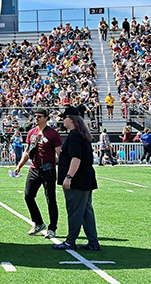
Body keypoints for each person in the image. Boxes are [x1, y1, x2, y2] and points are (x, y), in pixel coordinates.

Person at [53, 106, 100, 251]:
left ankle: (70, 241)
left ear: (71, 119)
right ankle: (93, 241)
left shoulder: (74, 135)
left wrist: (68, 177)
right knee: (86, 212)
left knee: (74, 211)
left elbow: (76, 158)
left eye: (64, 118)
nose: (63, 121)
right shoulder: (82, 134)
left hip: (77, 180)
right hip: (86, 178)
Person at [14, 108, 62, 239]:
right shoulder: (31, 132)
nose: (37, 118)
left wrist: (62, 169)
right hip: (34, 168)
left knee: (50, 199)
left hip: (48, 169)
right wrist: (19, 166)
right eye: (35, 116)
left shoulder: (53, 134)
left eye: (39, 116)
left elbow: (59, 153)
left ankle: (52, 228)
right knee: (28, 196)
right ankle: (39, 223)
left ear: (46, 118)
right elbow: (27, 151)